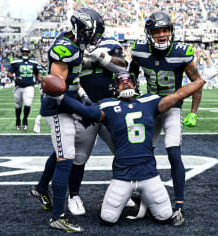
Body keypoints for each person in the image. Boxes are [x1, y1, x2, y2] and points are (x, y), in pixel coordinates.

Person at [58, 70, 218, 226]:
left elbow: (179, 95)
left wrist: (202, 79)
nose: (126, 84)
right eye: (121, 82)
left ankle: (140, 197)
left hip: (149, 175)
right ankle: (133, 197)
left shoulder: (149, 102)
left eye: (129, 80)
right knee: (108, 218)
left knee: (165, 215)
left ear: (136, 84)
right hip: (122, 176)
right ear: (115, 87)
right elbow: (85, 111)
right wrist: (61, 97)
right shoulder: (107, 106)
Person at [28, 8, 111, 233]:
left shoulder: (72, 44)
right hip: (56, 109)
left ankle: (42, 187)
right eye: (92, 34)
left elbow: (73, 82)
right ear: (81, 30)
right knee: (66, 157)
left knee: (60, 151)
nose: (94, 39)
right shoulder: (65, 49)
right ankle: (58, 216)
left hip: (67, 105)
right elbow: (56, 91)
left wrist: (85, 99)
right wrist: (88, 112)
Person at [128, 11, 213, 226]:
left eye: (165, 30)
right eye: (157, 31)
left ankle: (179, 205)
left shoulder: (182, 52)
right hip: (150, 107)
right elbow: (131, 75)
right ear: (149, 33)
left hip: (173, 107)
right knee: (142, 151)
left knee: (174, 152)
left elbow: (196, 82)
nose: (162, 35)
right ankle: (145, 195)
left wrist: (194, 112)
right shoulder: (139, 50)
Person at [66, 10, 129, 216]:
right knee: (80, 156)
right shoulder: (71, 43)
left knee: (122, 152)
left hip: (111, 105)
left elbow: (123, 67)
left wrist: (102, 57)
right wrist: (81, 60)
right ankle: (73, 196)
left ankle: (123, 192)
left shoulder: (110, 42)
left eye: (82, 27)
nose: (79, 31)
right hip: (85, 106)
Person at [7, 47, 41, 130]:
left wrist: (41, 81)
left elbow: (37, 74)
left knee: (28, 104)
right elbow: (9, 73)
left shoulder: (33, 63)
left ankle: (25, 119)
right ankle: (18, 120)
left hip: (29, 86)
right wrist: (14, 77)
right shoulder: (16, 62)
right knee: (18, 105)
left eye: (26, 52)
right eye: (23, 52)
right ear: (21, 52)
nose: (25, 53)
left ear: (28, 52)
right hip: (18, 87)